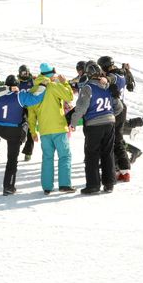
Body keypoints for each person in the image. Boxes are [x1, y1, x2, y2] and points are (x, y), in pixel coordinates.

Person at [69, 62, 121, 195]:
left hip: (94, 125)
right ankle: (109, 183)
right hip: (109, 123)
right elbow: (119, 107)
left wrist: (73, 123)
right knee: (107, 153)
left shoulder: (88, 87)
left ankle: (93, 185)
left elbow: (81, 108)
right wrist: (109, 115)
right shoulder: (108, 86)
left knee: (92, 155)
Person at [29, 62, 76, 195]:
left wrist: (33, 131)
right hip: (59, 128)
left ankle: (47, 187)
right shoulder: (53, 86)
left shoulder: (34, 90)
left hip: (44, 130)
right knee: (65, 156)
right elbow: (70, 97)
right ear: (51, 74)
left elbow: (31, 114)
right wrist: (65, 83)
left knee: (47, 158)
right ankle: (64, 184)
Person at [97, 56, 133, 182]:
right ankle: (124, 171)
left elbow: (110, 79)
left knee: (111, 141)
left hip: (115, 110)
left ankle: (116, 170)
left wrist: (104, 79)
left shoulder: (113, 75)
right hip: (122, 109)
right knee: (118, 139)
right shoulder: (122, 73)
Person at [17, 64, 36, 161]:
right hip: (20, 108)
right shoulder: (17, 82)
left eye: (27, 72)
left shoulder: (33, 81)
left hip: (31, 108)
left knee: (31, 130)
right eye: (24, 73)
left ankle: (28, 152)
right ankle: (17, 145)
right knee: (20, 127)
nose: (26, 74)